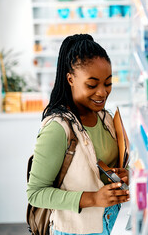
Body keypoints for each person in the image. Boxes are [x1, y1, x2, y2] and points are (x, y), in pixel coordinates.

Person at [27, 34, 130, 235]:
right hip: (77, 230)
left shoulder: (106, 118)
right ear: (71, 79)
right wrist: (92, 198)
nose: (102, 93)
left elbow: (107, 167)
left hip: (115, 222)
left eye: (108, 83)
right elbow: (35, 193)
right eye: (92, 85)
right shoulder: (58, 129)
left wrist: (125, 175)